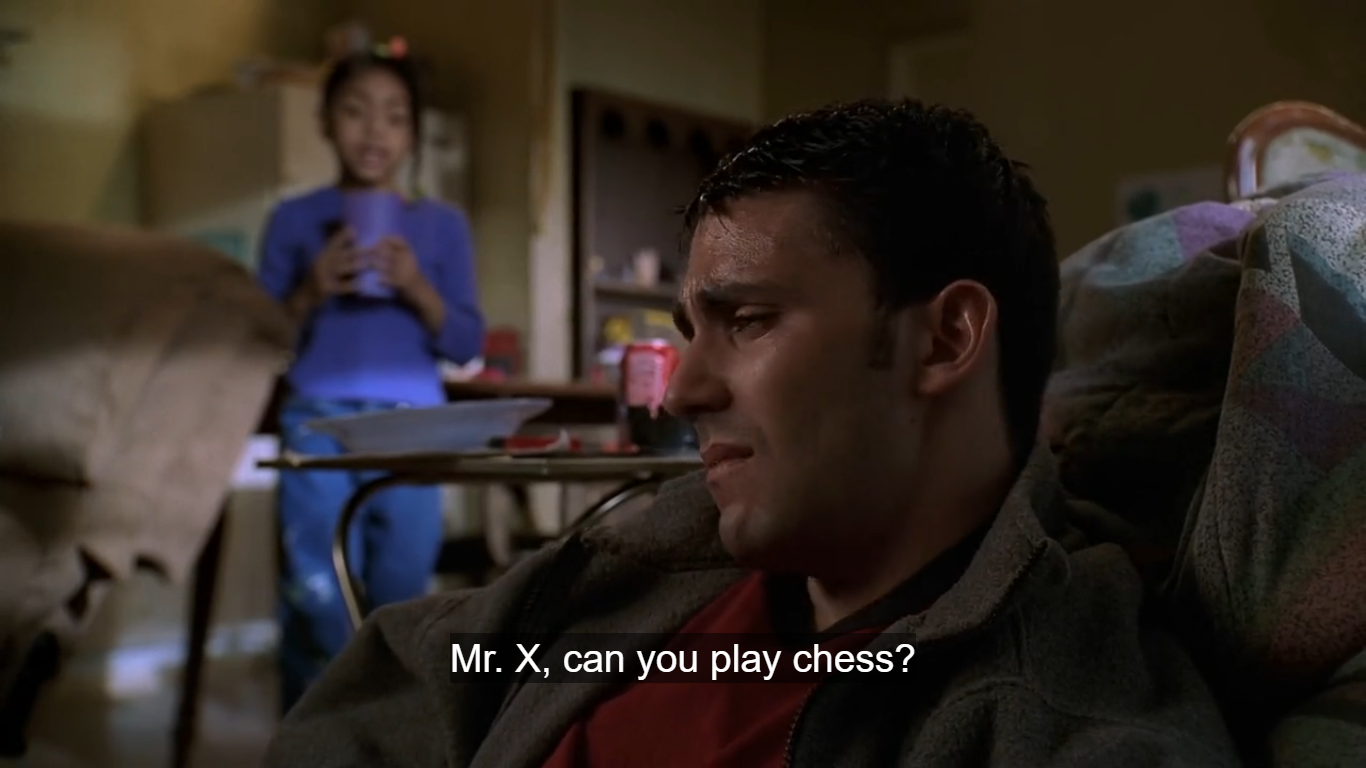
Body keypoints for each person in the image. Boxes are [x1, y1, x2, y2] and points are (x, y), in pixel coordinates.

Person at [264, 100, 1238, 765]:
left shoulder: (1051, 718)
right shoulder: (659, 556)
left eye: (750, 320)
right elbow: (404, 678)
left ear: (944, 339)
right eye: (692, 329)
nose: (681, 392)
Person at [255, 46, 484, 714]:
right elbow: (261, 338)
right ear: (326, 122)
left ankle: (388, 732)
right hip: (317, 419)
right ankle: (315, 736)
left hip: (414, 425)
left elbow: (465, 342)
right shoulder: (294, 219)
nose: (374, 130)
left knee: (402, 591)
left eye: (394, 115)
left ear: (412, 133)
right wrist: (310, 289)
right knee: (315, 591)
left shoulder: (443, 225)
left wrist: (415, 286)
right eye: (355, 111)